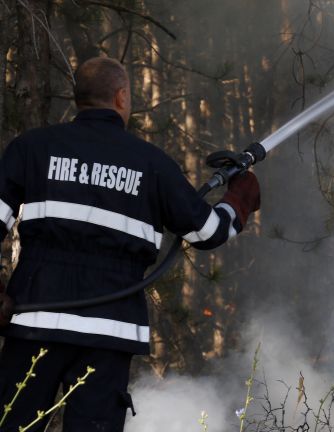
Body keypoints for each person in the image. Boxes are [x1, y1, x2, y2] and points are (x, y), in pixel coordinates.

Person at [0, 57, 261, 431]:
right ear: (121, 97)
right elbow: (208, 232)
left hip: (35, 320)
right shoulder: (151, 164)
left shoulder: (32, 148)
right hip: (110, 331)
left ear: (79, 99)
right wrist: (241, 193)